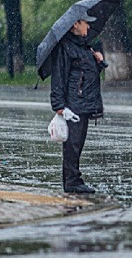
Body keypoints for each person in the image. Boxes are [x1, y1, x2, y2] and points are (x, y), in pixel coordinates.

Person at [50, 12, 106, 194]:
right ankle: (72, 182)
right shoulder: (65, 48)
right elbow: (59, 77)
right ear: (75, 24)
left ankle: (74, 180)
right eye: (85, 24)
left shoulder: (84, 47)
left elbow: (88, 74)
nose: (88, 27)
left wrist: (99, 62)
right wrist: (59, 107)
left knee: (77, 144)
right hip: (73, 105)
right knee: (72, 145)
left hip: (84, 102)